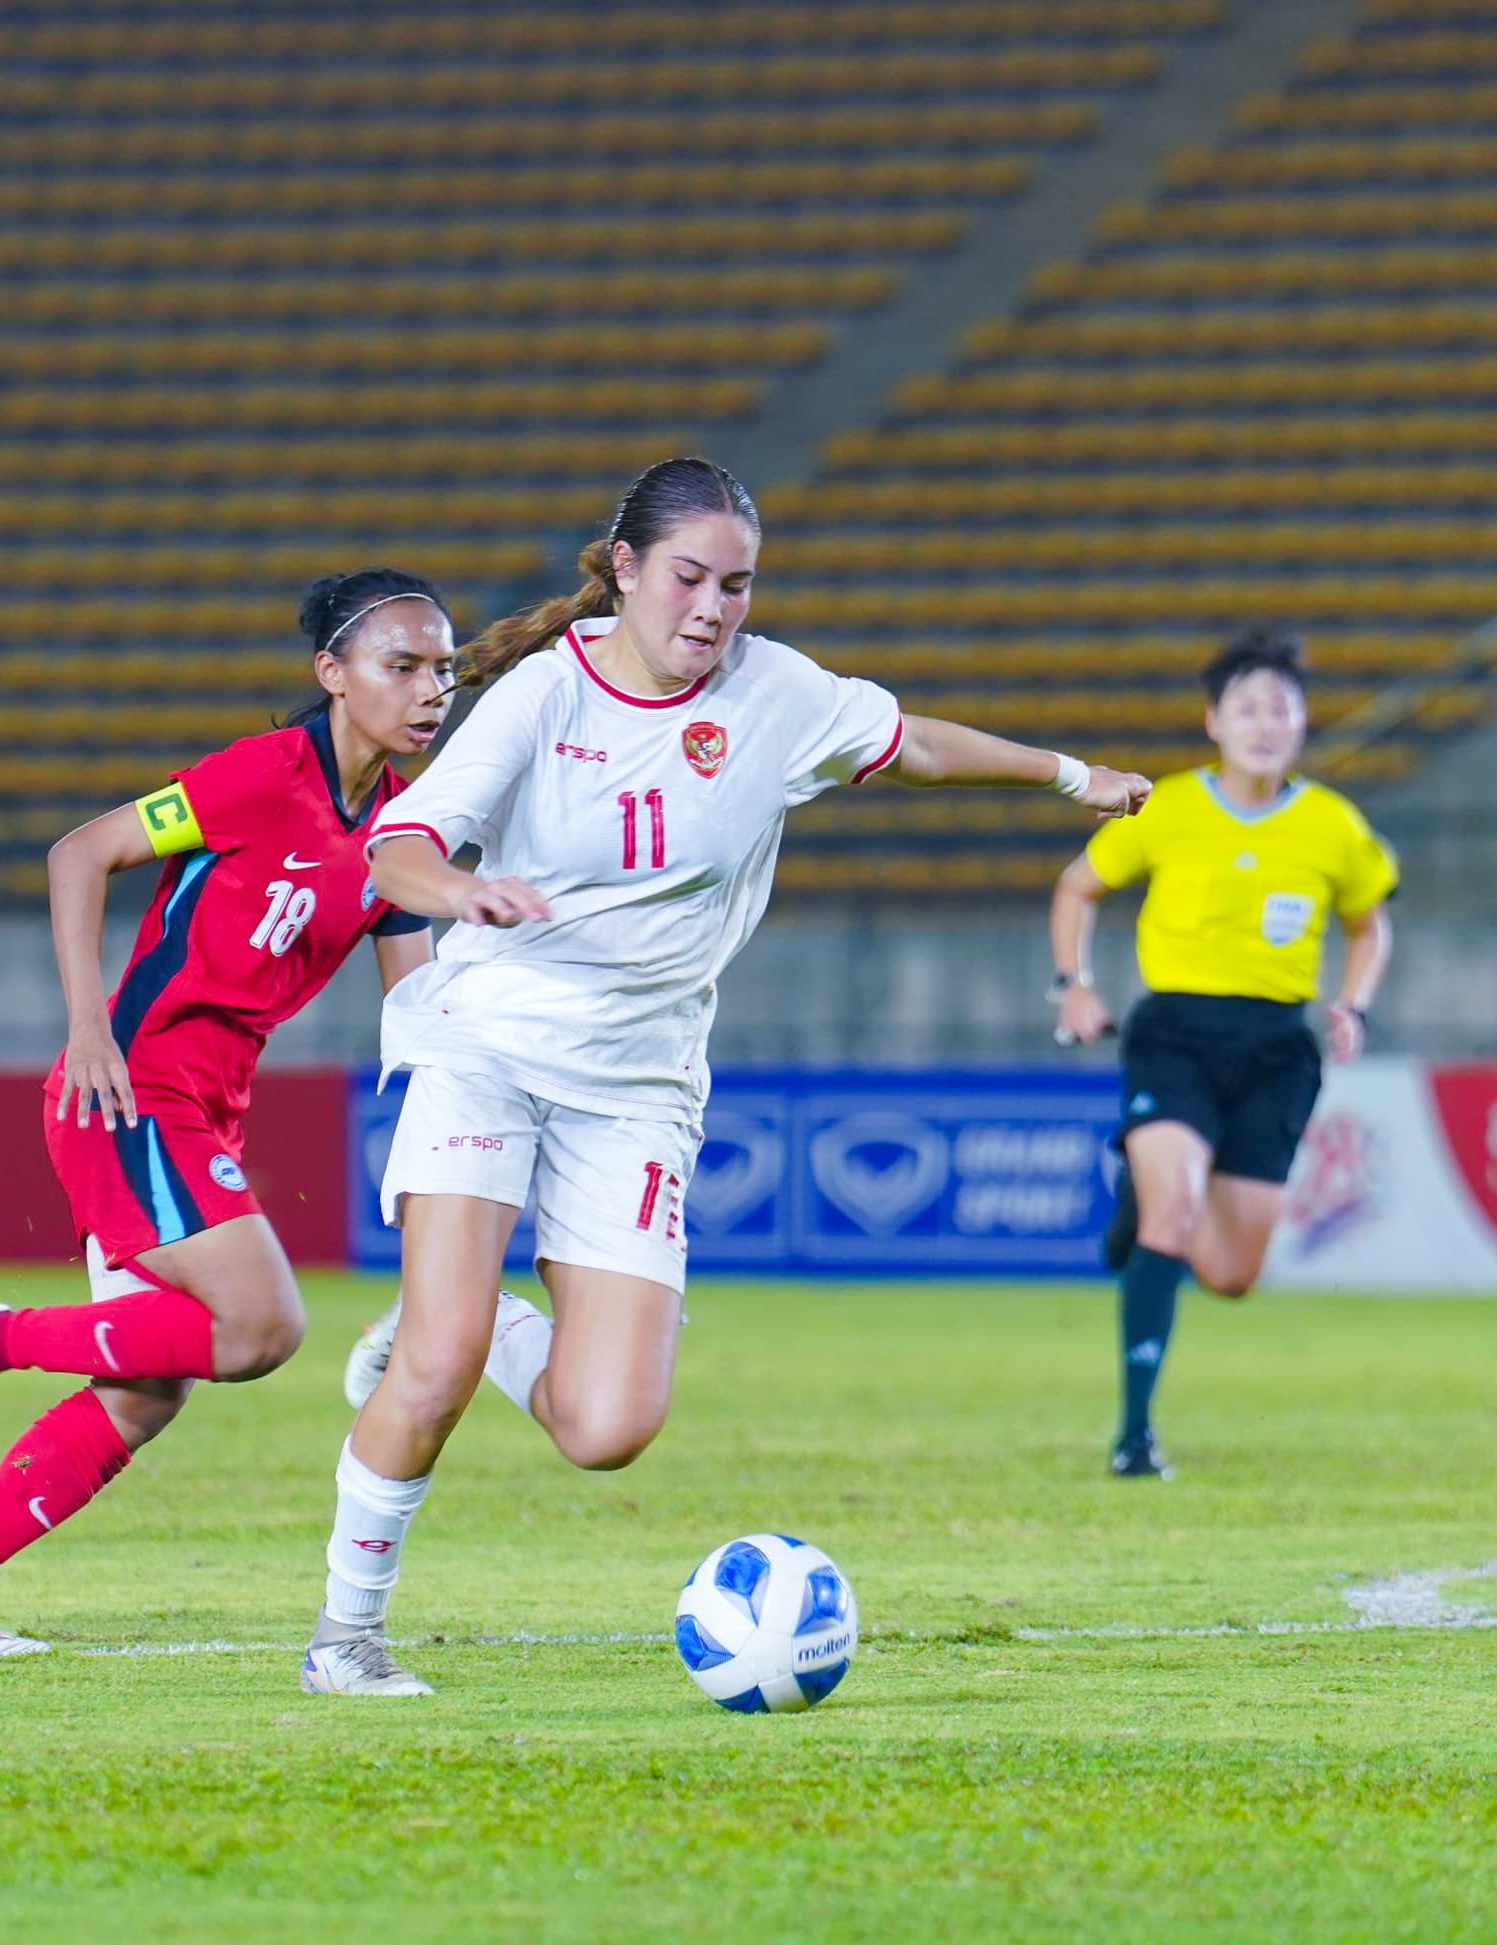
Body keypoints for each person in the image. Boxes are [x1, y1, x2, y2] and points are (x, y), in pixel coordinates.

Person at [305, 455, 1150, 1697]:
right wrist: (462, 890)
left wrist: (1069, 777)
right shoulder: (545, 694)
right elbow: (400, 846)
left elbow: (908, 743)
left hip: (640, 1085)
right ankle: (346, 1636)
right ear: (629, 571)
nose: (712, 608)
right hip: (485, 1044)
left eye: (737, 586)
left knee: (608, 1429)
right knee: (424, 1372)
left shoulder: (779, 693)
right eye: (690, 578)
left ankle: (488, 1335)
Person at [0, 569, 460, 1657]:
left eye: (442, 668)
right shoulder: (260, 776)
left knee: (144, 1392)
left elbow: (418, 1005)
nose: (429, 689)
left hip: (204, 1111)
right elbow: (79, 852)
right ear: (331, 674)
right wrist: (88, 1027)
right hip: (132, 1087)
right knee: (263, 1324)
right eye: (401, 665)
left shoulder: (399, 836)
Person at [1051, 626, 1397, 1481]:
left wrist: (1351, 1002)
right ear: (1213, 721)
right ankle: (1134, 1437)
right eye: (1245, 706)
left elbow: (1369, 921)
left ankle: (1147, 1189)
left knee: (1232, 1272)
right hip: (1174, 1033)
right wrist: (1074, 982)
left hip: (1278, 1046)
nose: (1263, 721)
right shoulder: (1163, 806)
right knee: (1171, 1220)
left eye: (1280, 706)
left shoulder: (1330, 823)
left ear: (1302, 723)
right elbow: (1077, 886)